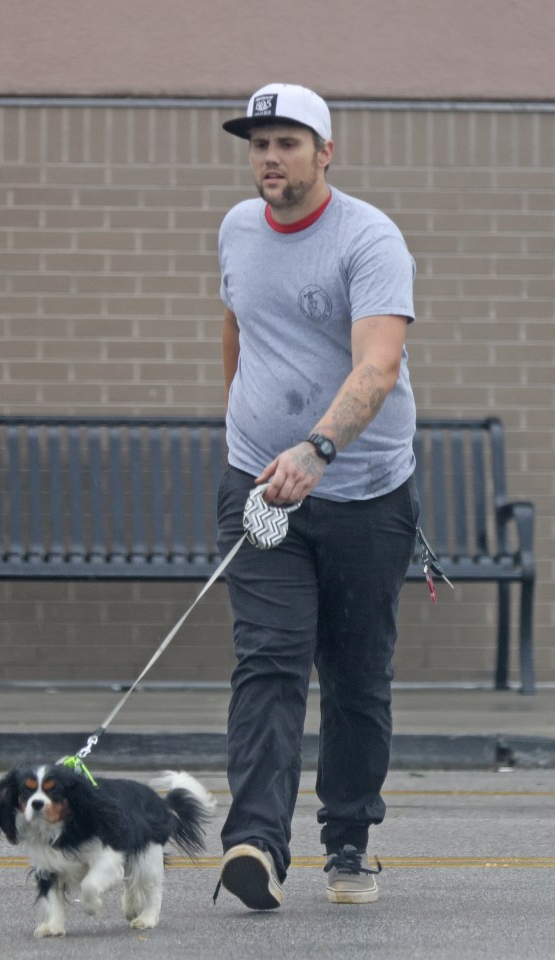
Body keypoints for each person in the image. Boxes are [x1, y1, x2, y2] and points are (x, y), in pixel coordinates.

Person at [215, 83, 420, 910]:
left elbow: (379, 364)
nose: (270, 157)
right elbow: (238, 323)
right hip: (261, 485)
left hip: (365, 491)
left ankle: (347, 842)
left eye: (287, 142)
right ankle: (255, 844)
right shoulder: (235, 228)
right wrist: (252, 434)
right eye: (258, 143)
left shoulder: (369, 238)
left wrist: (319, 446)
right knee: (268, 659)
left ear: (324, 151)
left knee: (356, 675)